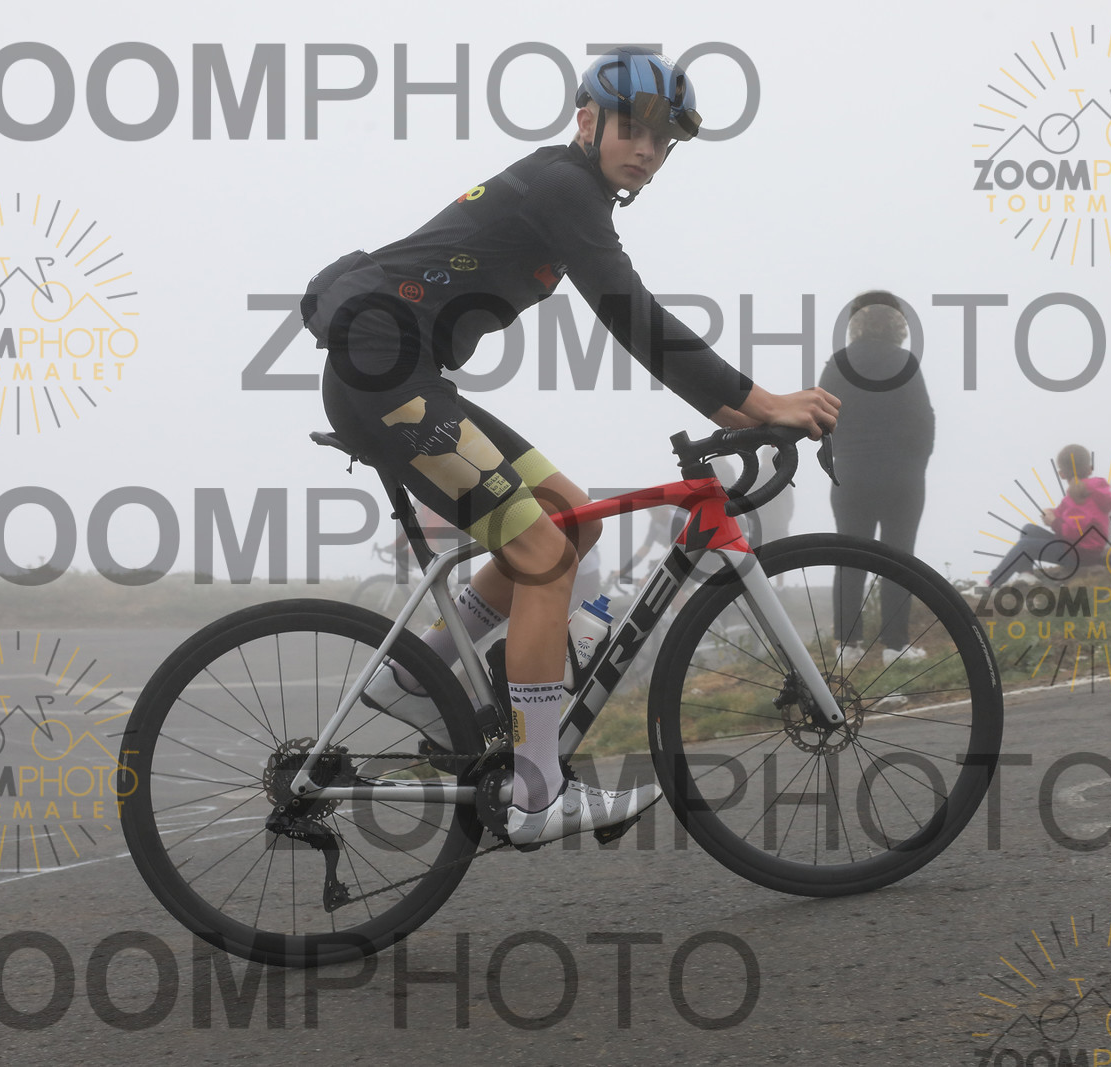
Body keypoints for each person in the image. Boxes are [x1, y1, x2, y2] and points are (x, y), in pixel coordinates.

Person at [299, 48, 839, 846]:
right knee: (546, 557)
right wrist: (760, 402)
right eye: (633, 130)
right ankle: (535, 793)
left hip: (401, 373)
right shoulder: (564, 188)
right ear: (587, 122)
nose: (647, 150)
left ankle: (417, 677)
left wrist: (746, 408)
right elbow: (633, 315)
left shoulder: (567, 191)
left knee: (569, 519)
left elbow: (633, 320)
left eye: (663, 141)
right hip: (382, 374)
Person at [819, 292, 934, 667]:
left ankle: (847, 647)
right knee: (899, 559)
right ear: (898, 326)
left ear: (856, 326)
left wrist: (841, 457)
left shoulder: (838, 364)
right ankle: (896, 647)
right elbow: (924, 421)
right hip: (902, 475)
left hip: (851, 474)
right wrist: (916, 464)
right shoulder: (905, 363)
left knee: (849, 559)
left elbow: (821, 418)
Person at [986, 444, 1111, 587]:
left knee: (1024, 546)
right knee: (1028, 529)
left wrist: (1054, 522)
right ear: (1089, 468)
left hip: (1079, 553)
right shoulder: (1090, 490)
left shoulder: (1079, 494)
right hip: (1082, 548)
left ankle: (990, 583)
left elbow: (1076, 531)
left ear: (1062, 474)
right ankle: (1027, 575)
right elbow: (1066, 513)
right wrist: (1052, 513)